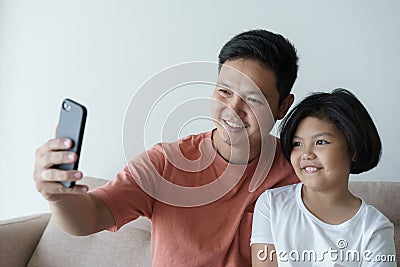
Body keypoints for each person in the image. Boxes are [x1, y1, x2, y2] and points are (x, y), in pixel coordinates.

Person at [34, 29, 300, 266]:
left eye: (253, 100)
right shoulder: (166, 163)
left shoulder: (298, 171)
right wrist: (58, 197)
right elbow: (90, 217)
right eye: (224, 92)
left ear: (282, 107)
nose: (233, 109)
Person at [251, 89, 396, 266]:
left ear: (354, 150)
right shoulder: (271, 205)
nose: (306, 154)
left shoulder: (374, 228)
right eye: (298, 144)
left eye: (321, 142)